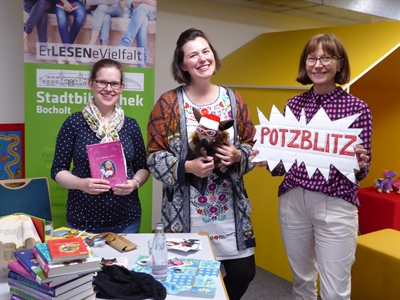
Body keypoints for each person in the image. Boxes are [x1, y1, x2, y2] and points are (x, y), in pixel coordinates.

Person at [250, 33, 373, 300]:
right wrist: (268, 160)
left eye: (326, 57)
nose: (318, 64)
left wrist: (359, 163)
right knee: (302, 282)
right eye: (312, 57)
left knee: (335, 290)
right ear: (305, 63)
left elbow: (361, 171)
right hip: (293, 202)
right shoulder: (294, 105)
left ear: (340, 64)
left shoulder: (357, 108)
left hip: (336, 204)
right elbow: (284, 164)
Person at [146, 28, 256, 300]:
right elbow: (153, 156)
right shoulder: (168, 103)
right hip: (186, 215)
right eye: (193, 55)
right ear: (183, 65)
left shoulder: (234, 100)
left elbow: (252, 145)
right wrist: (187, 167)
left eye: (205, 51)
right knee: (187, 281)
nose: (202, 58)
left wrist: (237, 156)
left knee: (244, 273)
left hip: (230, 212)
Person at [51, 58, 150, 234]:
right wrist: (81, 184)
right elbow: (57, 170)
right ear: (91, 84)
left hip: (127, 220)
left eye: (114, 83)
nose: (108, 89)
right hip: (82, 221)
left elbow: (143, 167)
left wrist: (134, 183)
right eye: (102, 82)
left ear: (122, 87)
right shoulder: (74, 123)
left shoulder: (131, 125)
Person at [119, 0, 157, 67]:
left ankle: (124, 45)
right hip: (136, 10)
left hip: (152, 9)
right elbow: (131, 2)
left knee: (141, 7)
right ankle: (141, 62)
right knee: (143, 20)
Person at [55, 0, 86, 64]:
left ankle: (64, 51)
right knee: (61, 18)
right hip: (61, 2)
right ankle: (69, 54)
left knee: (81, 15)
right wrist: (65, 2)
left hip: (76, 1)